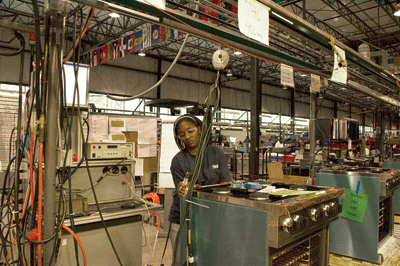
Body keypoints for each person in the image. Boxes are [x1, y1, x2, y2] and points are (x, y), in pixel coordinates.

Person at [168, 114, 232, 266]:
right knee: (181, 260)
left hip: (210, 217)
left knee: (207, 259)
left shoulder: (216, 153)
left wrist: (200, 190)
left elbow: (226, 184)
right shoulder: (178, 161)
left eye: (190, 131)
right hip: (182, 218)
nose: (187, 137)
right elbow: (181, 193)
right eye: (182, 134)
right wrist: (183, 190)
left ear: (199, 129)